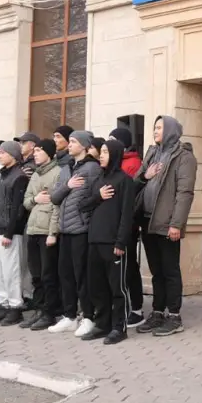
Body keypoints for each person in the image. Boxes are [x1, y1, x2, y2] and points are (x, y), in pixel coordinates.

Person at [134, 116, 197, 337]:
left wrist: (176, 224)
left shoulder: (184, 157)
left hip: (168, 224)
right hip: (148, 221)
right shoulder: (152, 153)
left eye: (159, 127)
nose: (155, 130)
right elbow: (137, 181)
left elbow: (185, 193)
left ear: (170, 130)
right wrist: (145, 174)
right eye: (154, 127)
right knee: (156, 271)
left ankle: (174, 316)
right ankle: (158, 312)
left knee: (170, 270)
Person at [82, 138, 137, 344]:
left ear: (114, 154)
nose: (101, 155)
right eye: (101, 151)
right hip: (94, 241)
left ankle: (118, 327)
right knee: (97, 287)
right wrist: (99, 196)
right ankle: (103, 324)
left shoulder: (124, 181)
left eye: (105, 151)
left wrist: (121, 243)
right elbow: (83, 205)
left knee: (117, 288)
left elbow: (126, 215)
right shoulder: (98, 180)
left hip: (113, 243)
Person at [48, 130, 102, 336]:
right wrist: (68, 186)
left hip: (82, 230)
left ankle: (88, 316)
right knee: (66, 275)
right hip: (65, 230)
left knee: (82, 276)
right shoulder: (66, 168)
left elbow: (95, 198)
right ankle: (69, 316)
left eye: (73, 141)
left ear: (85, 145)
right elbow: (54, 197)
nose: (69, 145)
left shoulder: (92, 168)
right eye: (69, 141)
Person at [0, 141, 31, 326]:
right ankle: (3, 305)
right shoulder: (1, 176)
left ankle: (15, 307)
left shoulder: (19, 177)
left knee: (11, 272)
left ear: (13, 155)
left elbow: (18, 209)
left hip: (9, 232)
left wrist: (10, 232)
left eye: (4, 152)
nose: (0, 155)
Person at [21, 138, 62, 331]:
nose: (35, 153)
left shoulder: (57, 173)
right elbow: (26, 201)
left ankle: (50, 312)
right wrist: (35, 199)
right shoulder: (36, 175)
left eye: (39, 150)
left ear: (49, 153)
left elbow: (57, 205)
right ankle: (39, 309)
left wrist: (53, 232)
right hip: (33, 228)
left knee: (48, 275)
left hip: (47, 231)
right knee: (36, 274)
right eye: (34, 150)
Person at [110, 127, 145, 328]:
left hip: (128, 224)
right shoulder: (117, 163)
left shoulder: (133, 164)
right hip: (114, 223)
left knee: (130, 266)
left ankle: (137, 309)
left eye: (113, 140)